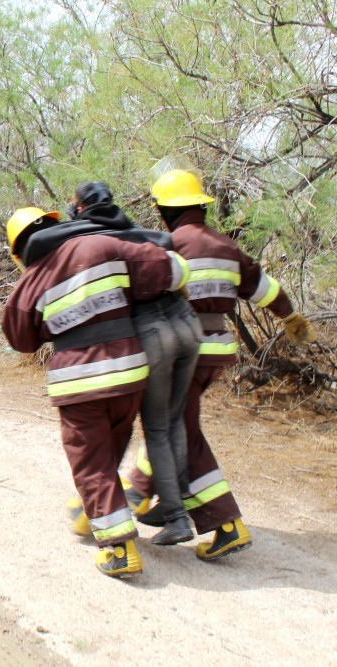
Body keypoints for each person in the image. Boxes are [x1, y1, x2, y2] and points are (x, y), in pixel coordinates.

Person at [123, 161, 316, 561]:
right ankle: (139, 490)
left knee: (181, 430)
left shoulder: (168, 245)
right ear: (202, 208)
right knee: (173, 419)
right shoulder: (227, 247)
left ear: (165, 211)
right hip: (219, 350)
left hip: (183, 350)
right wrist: (290, 316)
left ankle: (224, 522)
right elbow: (266, 289)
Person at [1, 206, 191, 578]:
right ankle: (98, 513)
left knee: (91, 464)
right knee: (110, 453)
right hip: (129, 375)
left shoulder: (32, 281)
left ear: (19, 253)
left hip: (79, 384)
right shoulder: (105, 245)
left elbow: (19, 338)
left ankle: (118, 548)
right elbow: (174, 269)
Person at [64, 181, 202, 547]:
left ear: (79, 209)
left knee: (153, 426)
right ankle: (172, 503)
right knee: (173, 420)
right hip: (188, 322)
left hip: (153, 332)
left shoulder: (90, 242)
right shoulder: (137, 232)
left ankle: (174, 516)